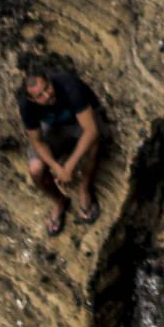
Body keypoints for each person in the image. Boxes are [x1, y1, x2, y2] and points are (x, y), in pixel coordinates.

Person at [17, 57, 103, 237]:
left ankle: (84, 189)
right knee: (35, 170)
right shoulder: (26, 105)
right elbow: (37, 141)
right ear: (31, 99)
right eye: (40, 96)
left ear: (49, 81)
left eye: (47, 88)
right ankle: (59, 202)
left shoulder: (69, 85)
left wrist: (69, 166)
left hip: (81, 120)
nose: (47, 95)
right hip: (54, 127)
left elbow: (91, 130)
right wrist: (56, 167)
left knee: (93, 143)